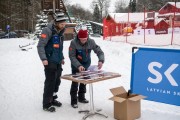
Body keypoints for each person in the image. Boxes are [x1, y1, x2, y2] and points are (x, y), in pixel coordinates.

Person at [37, 12, 67, 112]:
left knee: (57, 81)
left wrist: (62, 57)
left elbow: (59, 48)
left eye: (64, 24)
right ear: (56, 23)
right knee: (50, 82)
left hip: (58, 61)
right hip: (49, 61)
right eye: (62, 24)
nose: (64, 26)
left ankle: (53, 99)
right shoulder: (47, 30)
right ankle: (46, 104)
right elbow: (40, 46)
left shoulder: (61, 32)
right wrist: (44, 59)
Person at [69, 27, 105, 108]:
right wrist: (78, 65)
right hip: (76, 65)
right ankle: (73, 100)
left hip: (86, 64)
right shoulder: (73, 43)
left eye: (85, 39)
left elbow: (99, 51)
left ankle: (81, 97)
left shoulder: (91, 42)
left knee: (84, 81)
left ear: (87, 37)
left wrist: (101, 60)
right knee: (75, 82)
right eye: (81, 39)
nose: (83, 41)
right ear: (78, 37)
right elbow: (72, 56)